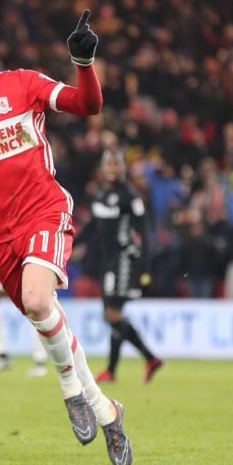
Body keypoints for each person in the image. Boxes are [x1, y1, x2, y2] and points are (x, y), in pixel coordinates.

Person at [0, 3, 133, 465]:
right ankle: (107, 411)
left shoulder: (22, 84)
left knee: (37, 302)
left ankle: (71, 390)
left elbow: (88, 105)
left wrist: (84, 65)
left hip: (43, 210)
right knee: (44, 313)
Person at [75, 149, 163, 385]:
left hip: (124, 258)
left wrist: (145, 269)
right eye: (109, 165)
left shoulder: (129, 196)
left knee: (113, 313)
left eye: (116, 165)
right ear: (103, 169)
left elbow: (144, 232)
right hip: (108, 260)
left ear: (124, 168)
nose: (112, 169)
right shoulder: (102, 194)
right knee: (112, 315)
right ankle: (144, 360)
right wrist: (70, 244)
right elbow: (93, 227)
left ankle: (124, 366)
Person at [0, 262, 48, 377]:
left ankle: (40, 361)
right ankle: (1, 356)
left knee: (33, 308)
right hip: (1, 258)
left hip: (24, 260)